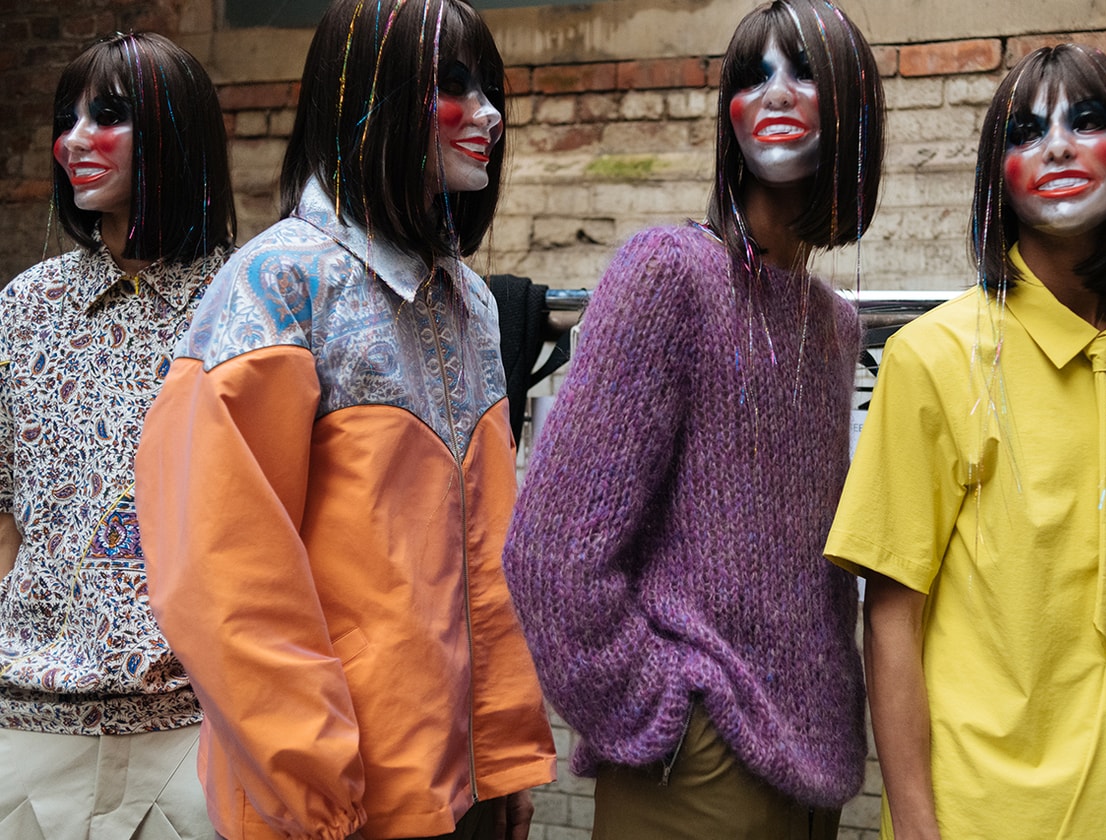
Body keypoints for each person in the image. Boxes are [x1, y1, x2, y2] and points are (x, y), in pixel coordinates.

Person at [132, 1, 556, 838]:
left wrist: (502, 763)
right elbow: (226, 581)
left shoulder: (466, 296)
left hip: (463, 797)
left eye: (490, 90)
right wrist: (318, 788)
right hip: (333, 810)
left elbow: (490, 554)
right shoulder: (275, 290)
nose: (490, 116)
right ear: (374, 98)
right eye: (455, 88)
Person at [826, 43, 1106, 840]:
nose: (1056, 145)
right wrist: (918, 829)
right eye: (1026, 132)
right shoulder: (933, 358)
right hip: (976, 816)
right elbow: (892, 617)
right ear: (999, 175)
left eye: (1087, 121)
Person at [501, 1, 884, 837]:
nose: (777, 93)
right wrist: (662, 716)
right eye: (754, 75)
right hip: (695, 772)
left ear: (856, 105)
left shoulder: (834, 324)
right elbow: (551, 554)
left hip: (814, 774)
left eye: (804, 72)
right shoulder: (670, 275)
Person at [0, 31, 235, 839]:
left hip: (198, 730)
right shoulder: (24, 308)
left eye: (109, 115)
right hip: (29, 729)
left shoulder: (255, 305)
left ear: (179, 131)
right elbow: (2, 515)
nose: (74, 141)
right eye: (66, 118)